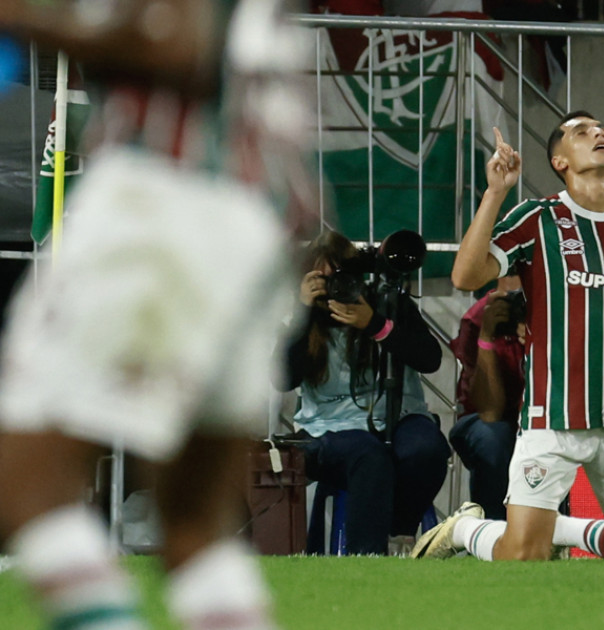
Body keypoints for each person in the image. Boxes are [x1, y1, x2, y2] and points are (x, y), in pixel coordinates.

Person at [0, 1, 313, 629]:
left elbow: (181, 48)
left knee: (25, 482)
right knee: (194, 527)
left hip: (169, 199)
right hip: (258, 213)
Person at [413, 111, 604, 562]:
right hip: (553, 419)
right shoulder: (538, 220)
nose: (599, 133)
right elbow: (466, 275)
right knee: (521, 557)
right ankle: (464, 529)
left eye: (602, 129)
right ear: (559, 161)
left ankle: (559, 528)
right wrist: (496, 193)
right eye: (582, 132)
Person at [274, 230, 450, 556]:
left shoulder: (386, 305)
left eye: (339, 278)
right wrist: (302, 313)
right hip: (325, 429)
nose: (333, 289)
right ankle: (367, 557)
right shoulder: (300, 317)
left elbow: (430, 359)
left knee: (426, 450)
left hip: (400, 416)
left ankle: (400, 533)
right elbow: (282, 379)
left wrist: (375, 324)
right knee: (369, 456)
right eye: (320, 280)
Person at [448, 275, 526, 520]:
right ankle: (493, 533)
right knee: (494, 437)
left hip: (539, 417)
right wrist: (487, 339)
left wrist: (536, 343)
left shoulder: (554, 311)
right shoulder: (478, 318)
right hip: (482, 420)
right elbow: (490, 412)